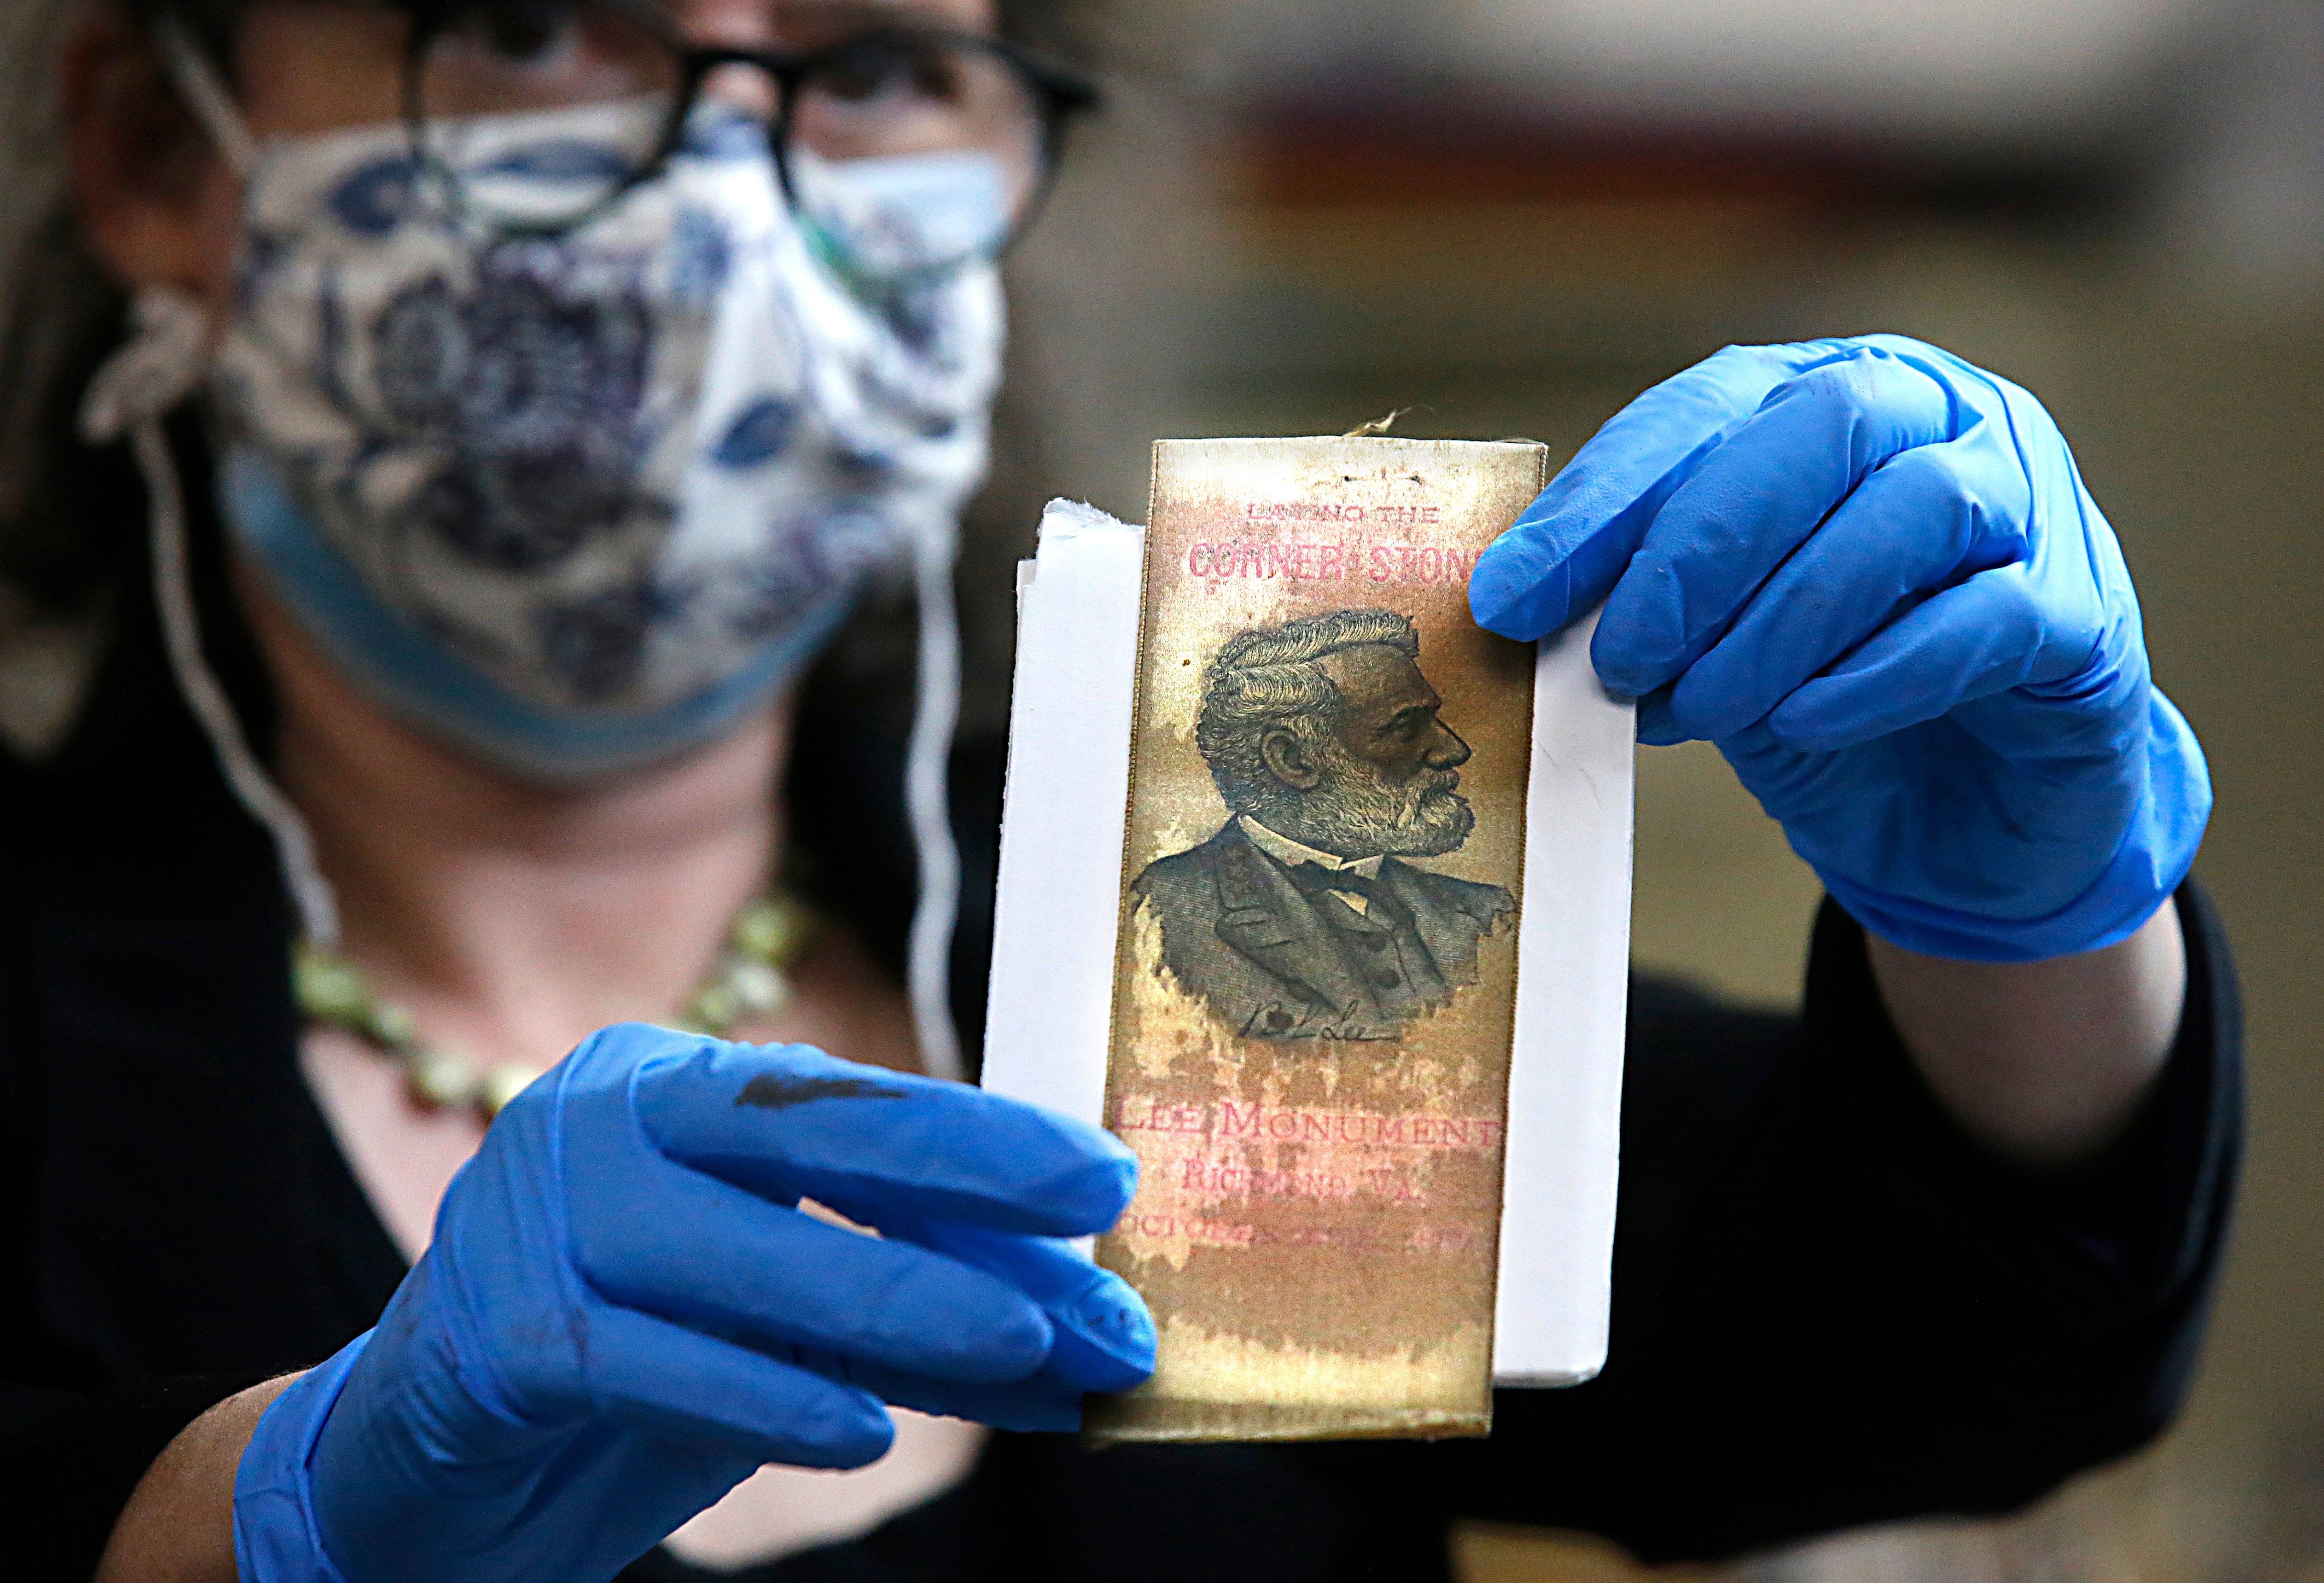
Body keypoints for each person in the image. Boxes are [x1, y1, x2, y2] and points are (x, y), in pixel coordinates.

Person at [0, 1, 2235, 1582]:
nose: (723, 180)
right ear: (157, 154)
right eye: (522, 25)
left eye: (872, 61)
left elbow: (1940, 1347)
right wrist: (245, 1520)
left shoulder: (1227, 881)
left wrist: (2033, 921)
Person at [1131, 607, 1513, 1042]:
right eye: (1406, 727)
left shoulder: (1488, 915)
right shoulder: (1160, 913)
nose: (1453, 749)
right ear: (1292, 760)